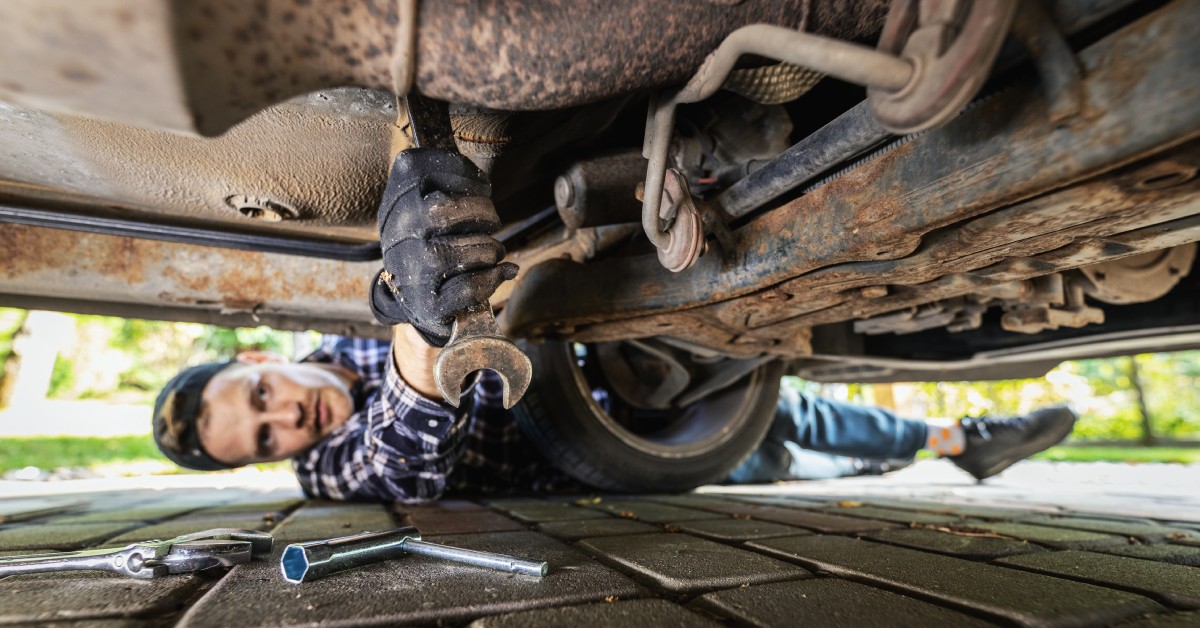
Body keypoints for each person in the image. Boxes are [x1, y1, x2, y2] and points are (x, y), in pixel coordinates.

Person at [151, 147, 1076, 503]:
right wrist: (423, 329)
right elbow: (408, 467)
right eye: (264, 440)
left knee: (794, 415)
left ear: (256, 357)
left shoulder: (334, 346)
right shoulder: (329, 474)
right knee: (788, 452)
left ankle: (963, 437)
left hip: (623, 358)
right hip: (608, 450)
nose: (288, 421)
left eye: (261, 398)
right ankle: (955, 442)